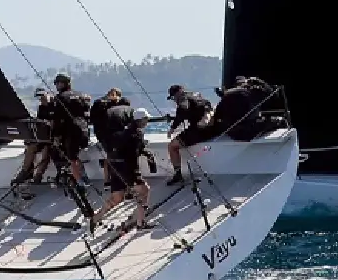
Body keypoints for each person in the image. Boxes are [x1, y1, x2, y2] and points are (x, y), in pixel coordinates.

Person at [97, 101, 154, 231]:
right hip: (127, 168)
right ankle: (141, 223)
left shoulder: (123, 131)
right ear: (141, 120)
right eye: (146, 120)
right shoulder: (137, 133)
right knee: (144, 190)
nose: (147, 122)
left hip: (114, 165)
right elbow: (134, 153)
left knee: (117, 198)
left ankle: (96, 217)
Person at [164, 84, 214, 186]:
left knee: (172, 146)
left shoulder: (183, 101)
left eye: (173, 97)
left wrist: (172, 129)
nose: (174, 100)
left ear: (177, 94)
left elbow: (181, 115)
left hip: (198, 131)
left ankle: (178, 175)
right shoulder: (197, 95)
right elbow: (208, 105)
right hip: (210, 130)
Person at [47, 73, 92, 185]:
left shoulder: (60, 98)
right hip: (84, 130)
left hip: (70, 131)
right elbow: (87, 113)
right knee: (77, 155)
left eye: (57, 83)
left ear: (62, 84)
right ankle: (84, 177)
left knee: (72, 158)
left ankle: (80, 182)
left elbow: (57, 119)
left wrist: (56, 136)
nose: (56, 86)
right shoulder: (82, 95)